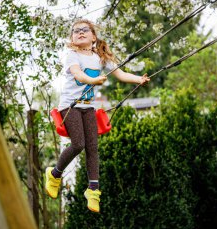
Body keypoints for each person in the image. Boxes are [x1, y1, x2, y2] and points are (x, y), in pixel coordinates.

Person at [45, 19, 150, 213]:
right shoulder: (72, 55)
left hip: (88, 108)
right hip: (70, 106)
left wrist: (139, 79)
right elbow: (78, 75)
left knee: (93, 148)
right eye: (76, 31)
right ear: (72, 38)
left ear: (93, 36)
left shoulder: (100, 57)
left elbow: (121, 74)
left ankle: (93, 191)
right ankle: (54, 174)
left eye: (85, 30)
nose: (80, 33)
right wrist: (93, 80)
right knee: (78, 145)